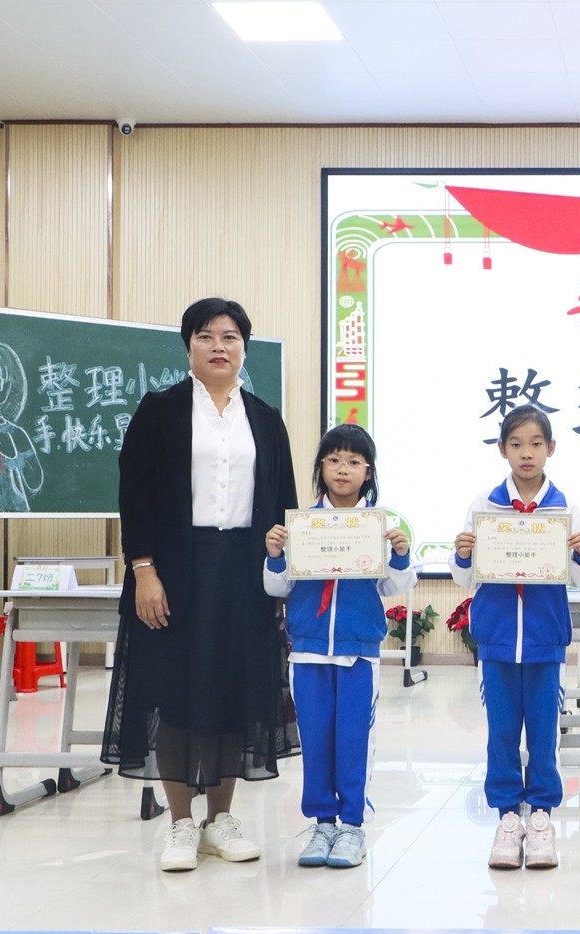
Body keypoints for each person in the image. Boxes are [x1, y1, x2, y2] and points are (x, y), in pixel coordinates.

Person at [102, 297, 299, 873]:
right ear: (188, 345)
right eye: (206, 336)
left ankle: (220, 820)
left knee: (234, 691)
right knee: (176, 693)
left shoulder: (264, 417)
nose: (219, 346)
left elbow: (282, 502)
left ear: (244, 348)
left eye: (230, 337)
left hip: (245, 571)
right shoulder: (160, 410)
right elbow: (135, 495)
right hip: (175, 568)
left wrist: (282, 579)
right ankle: (181, 824)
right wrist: (143, 569)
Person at [450, 404, 580, 870]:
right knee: (501, 734)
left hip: (544, 640)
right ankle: (507, 819)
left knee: (543, 733)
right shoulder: (484, 505)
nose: (526, 453)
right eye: (516, 444)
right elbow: (464, 577)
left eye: (535, 444)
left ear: (551, 448)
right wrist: (462, 554)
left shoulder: (565, 507)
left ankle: (541, 819)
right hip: (496, 639)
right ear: (502, 450)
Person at [263, 423, 415, 870]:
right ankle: (322, 823)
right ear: (320, 468)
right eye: (333, 460)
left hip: (358, 652)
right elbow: (276, 587)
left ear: (368, 471)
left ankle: (351, 825)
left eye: (353, 461)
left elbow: (393, 585)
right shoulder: (301, 526)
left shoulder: (378, 527)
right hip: (308, 651)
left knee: (353, 739)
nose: (342, 469)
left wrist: (400, 555)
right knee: (315, 740)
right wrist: (275, 554)